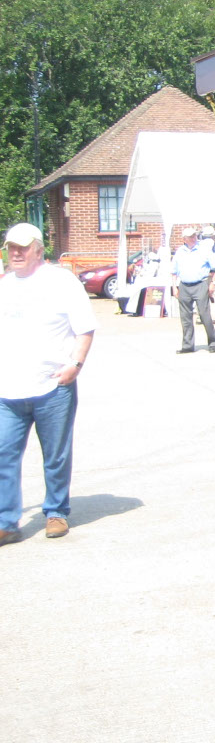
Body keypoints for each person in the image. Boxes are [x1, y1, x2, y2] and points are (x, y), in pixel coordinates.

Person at [0, 223, 95, 545]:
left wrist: (75, 365)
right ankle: (7, 521)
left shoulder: (61, 282)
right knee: (3, 454)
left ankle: (56, 512)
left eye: (23, 247)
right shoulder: (4, 285)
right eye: (11, 246)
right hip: (8, 390)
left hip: (52, 387)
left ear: (38, 250)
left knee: (55, 454)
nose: (15, 252)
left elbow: (85, 328)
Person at [171, 227, 215, 353]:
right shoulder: (180, 251)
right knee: (185, 317)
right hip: (184, 285)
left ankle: (213, 343)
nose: (193, 238)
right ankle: (187, 345)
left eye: (194, 236)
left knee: (204, 315)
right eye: (190, 237)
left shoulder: (204, 250)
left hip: (200, 284)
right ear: (184, 239)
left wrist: (212, 283)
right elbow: (174, 272)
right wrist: (174, 287)